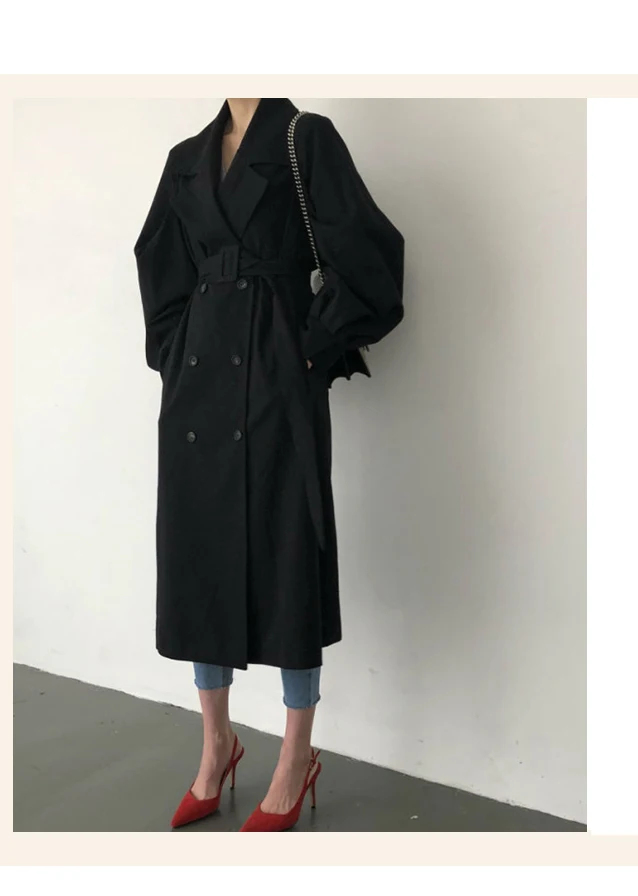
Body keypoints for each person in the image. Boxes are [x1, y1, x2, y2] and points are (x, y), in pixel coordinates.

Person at [133, 97, 405, 831]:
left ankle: (295, 754)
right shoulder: (185, 159)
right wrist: (176, 356)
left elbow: (372, 254)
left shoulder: (303, 138)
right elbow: (160, 265)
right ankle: (216, 745)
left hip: (279, 379)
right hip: (199, 390)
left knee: (289, 553)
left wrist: (308, 349)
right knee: (199, 557)